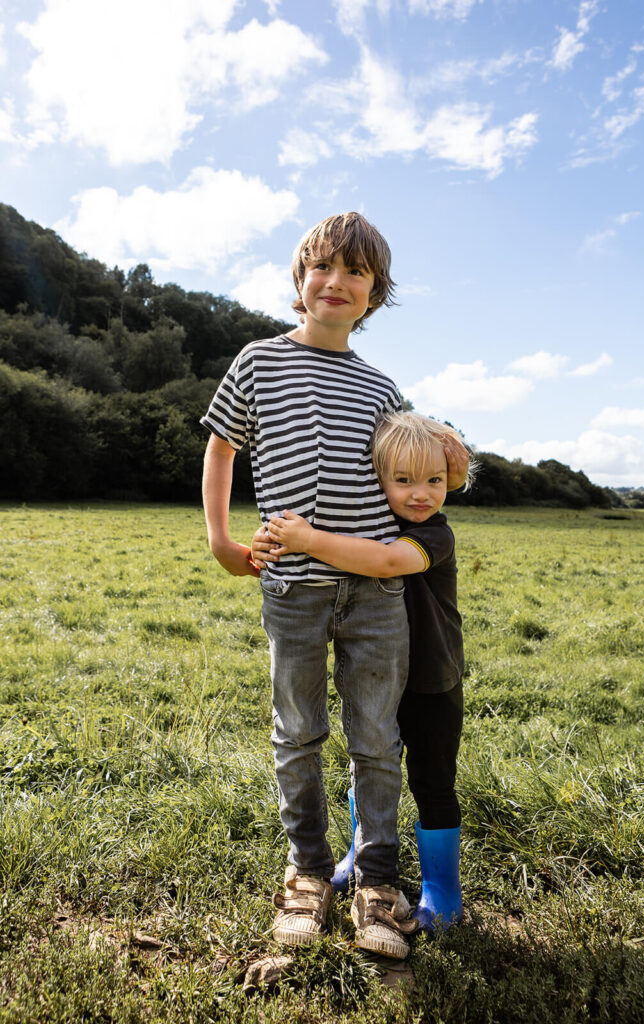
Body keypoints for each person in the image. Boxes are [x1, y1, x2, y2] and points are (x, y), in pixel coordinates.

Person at [200, 211, 470, 960]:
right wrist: (220, 537)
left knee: (377, 740)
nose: (337, 282)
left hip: (375, 596)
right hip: (292, 588)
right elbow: (222, 447)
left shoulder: (381, 386)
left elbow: (412, 462)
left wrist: (444, 447)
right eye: (324, 266)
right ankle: (309, 874)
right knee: (297, 733)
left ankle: (378, 883)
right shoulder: (256, 360)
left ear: (374, 294)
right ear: (299, 279)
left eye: (356, 273)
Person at [259, 410, 472, 932]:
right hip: (377, 667)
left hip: (429, 679)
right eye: (402, 481)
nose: (420, 493)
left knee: (431, 779)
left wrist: (308, 539)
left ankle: (443, 889)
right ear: (376, 480)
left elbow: (382, 563)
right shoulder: (373, 522)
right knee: (371, 752)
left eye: (434, 481)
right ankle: (361, 855)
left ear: (450, 481)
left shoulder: (435, 535)